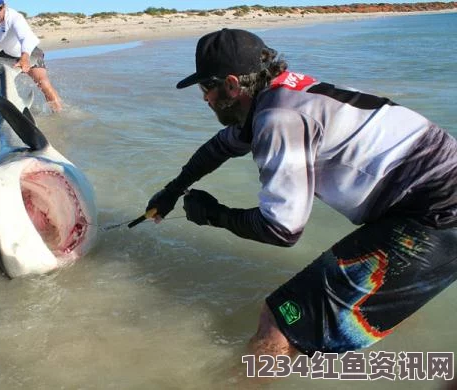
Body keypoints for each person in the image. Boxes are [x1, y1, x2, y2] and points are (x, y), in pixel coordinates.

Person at [144, 28, 457, 363]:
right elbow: (220, 147)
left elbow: (281, 230)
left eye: (207, 87)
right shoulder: (282, 93)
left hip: (436, 214)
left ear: (232, 85)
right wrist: (173, 190)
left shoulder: (279, 118)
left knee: (278, 322)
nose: (204, 98)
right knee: (374, 302)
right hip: (429, 201)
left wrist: (212, 214)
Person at [0, 0, 62, 112]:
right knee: (2, 88)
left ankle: (59, 114)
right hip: (7, 55)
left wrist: (25, 58)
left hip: (29, 52)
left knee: (43, 83)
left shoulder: (15, 17)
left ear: (4, 6)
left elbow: (26, 38)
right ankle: (7, 114)